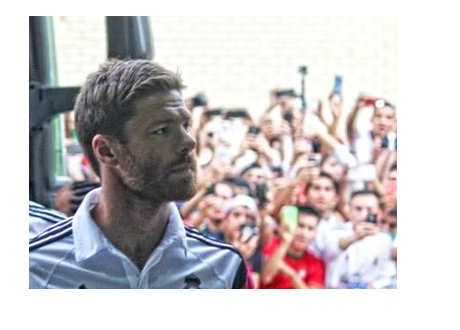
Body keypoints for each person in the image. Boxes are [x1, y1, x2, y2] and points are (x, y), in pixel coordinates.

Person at [29, 59, 254, 289]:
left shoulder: (225, 267)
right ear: (107, 151)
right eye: (161, 131)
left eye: (185, 126)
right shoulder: (35, 269)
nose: (189, 142)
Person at [325, 189, 396, 289]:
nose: (363, 214)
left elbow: (388, 274)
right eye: (358, 209)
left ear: (378, 212)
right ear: (349, 211)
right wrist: (356, 237)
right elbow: (334, 247)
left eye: (369, 210)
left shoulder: (384, 238)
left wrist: (373, 286)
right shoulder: (336, 230)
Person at [260, 205, 325, 289]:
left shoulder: (316, 263)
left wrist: (292, 275)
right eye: (300, 226)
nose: (304, 233)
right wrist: (285, 242)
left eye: (310, 229)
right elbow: (266, 278)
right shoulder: (271, 245)